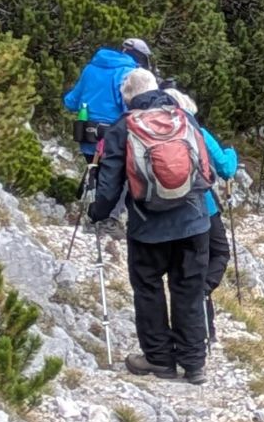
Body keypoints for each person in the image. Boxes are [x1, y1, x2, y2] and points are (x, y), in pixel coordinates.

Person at [87, 67, 212, 383]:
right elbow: (205, 166)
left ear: (126, 97)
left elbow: (109, 186)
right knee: (189, 290)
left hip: (148, 228)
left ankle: (159, 360)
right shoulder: (184, 117)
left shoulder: (123, 127)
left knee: (149, 290)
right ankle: (194, 364)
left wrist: (97, 213)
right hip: (194, 222)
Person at [163, 89, 237, 340]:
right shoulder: (198, 132)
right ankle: (204, 304)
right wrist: (232, 152)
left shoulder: (149, 133)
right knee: (219, 253)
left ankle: (187, 330)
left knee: (181, 267)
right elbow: (226, 168)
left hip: (165, 211)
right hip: (203, 208)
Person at [63, 39, 154, 158]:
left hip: (86, 135)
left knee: (92, 167)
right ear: (141, 58)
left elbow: (71, 102)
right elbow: (130, 109)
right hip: (113, 138)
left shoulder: (90, 68)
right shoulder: (129, 73)